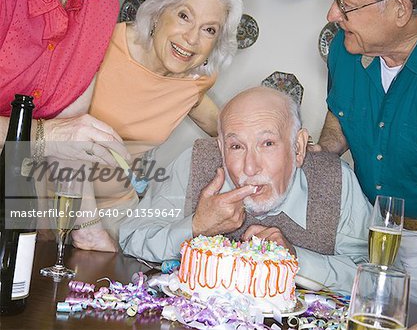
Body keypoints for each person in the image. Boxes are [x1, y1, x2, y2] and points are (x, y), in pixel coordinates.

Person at [119, 87, 373, 294]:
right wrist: (195, 227)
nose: (250, 168)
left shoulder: (335, 178)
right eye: (236, 146)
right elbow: (131, 237)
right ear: (220, 147)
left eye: (268, 143)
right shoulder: (195, 162)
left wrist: (295, 259)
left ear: (298, 147)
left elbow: (376, 278)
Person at [72, 0, 243, 250]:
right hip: (53, 198)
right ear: (157, 13)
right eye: (184, 16)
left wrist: (282, 144)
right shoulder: (105, 42)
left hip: (117, 208)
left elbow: (221, 126)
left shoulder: (195, 81)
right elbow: (60, 132)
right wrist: (86, 226)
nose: (192, 39)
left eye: (209, 29)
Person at [312, 0, 417, 309]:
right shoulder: (344, 48)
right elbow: (340, 112)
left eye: (345, 4)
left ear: (400, 9)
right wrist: (322, 150)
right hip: (364, 240)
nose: (333, 14)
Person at [0, 0, 129, 165]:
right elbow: (56, 138)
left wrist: (77, 190)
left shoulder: (102, 6)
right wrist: (43, 137)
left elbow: (69, 141)